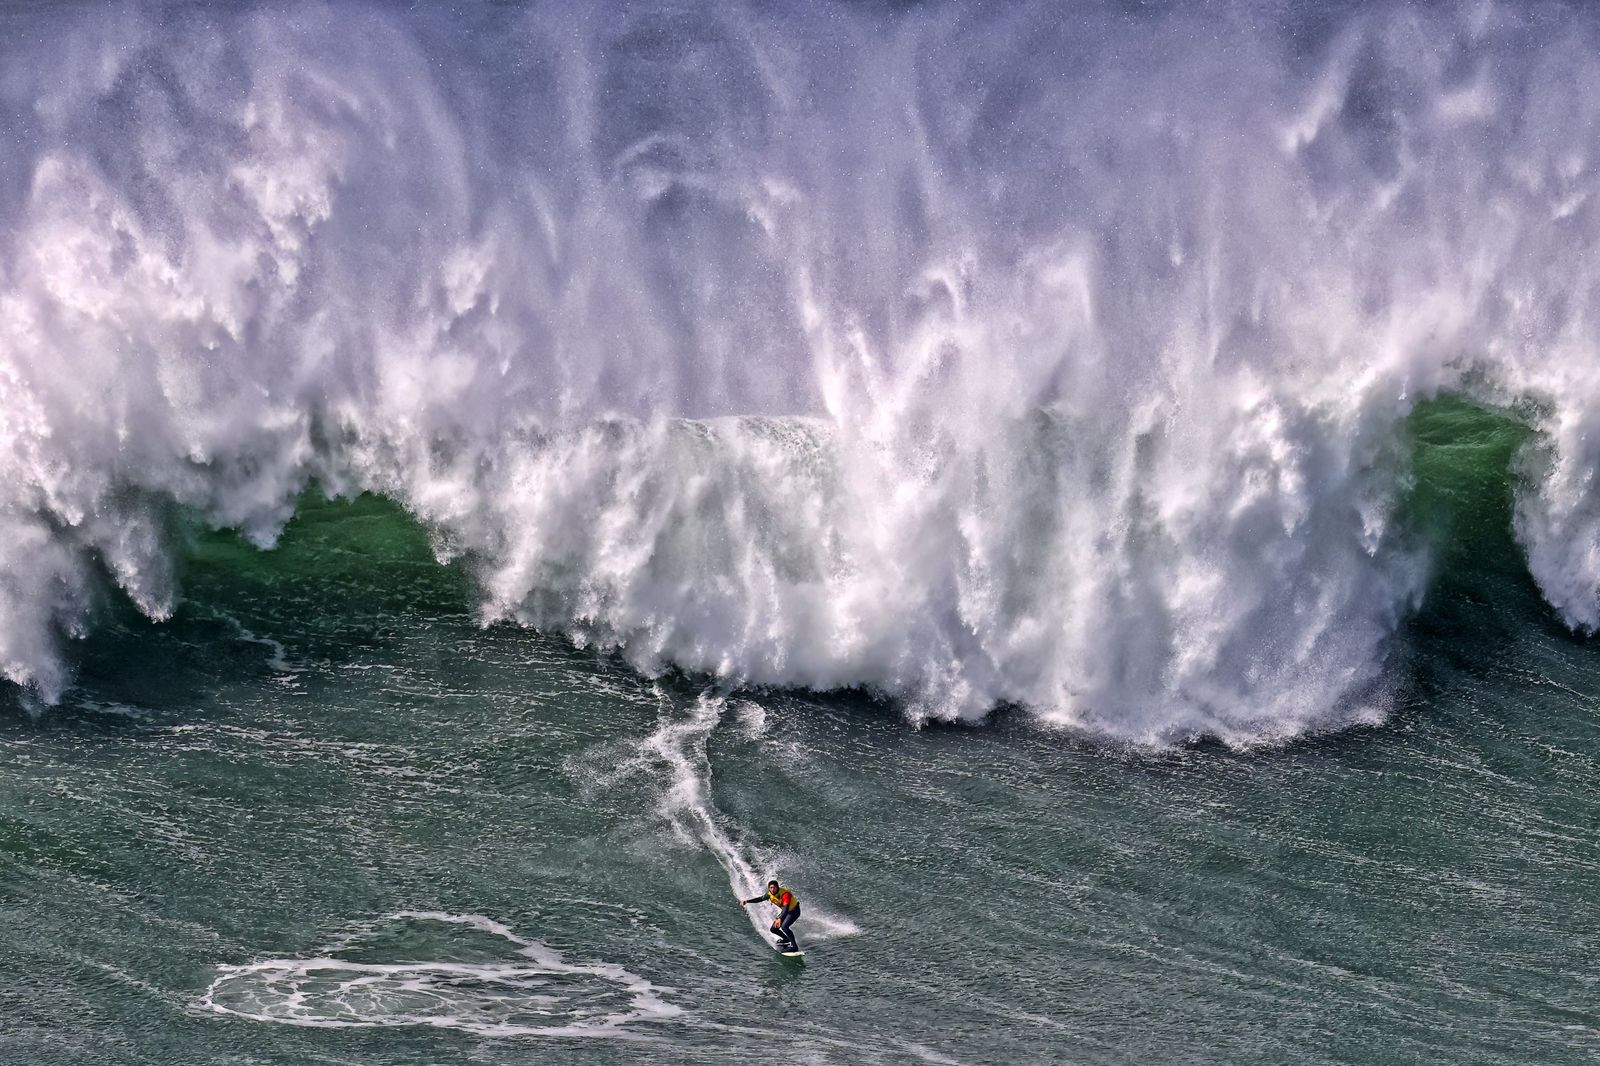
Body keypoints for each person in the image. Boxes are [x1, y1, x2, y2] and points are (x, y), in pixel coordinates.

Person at [739, 879, 801, 952]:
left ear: (777, 887)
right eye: (771, 888)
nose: (772, 889)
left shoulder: (785, 894)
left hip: (794, 911)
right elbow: (760, 898)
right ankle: (786, 939)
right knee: (773, 929)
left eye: (774, 887)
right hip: (786, 912)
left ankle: (794, 947)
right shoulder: (770, 894)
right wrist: (747, 901)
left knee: (784, 927)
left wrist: (780, 918)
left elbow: (786, 907)